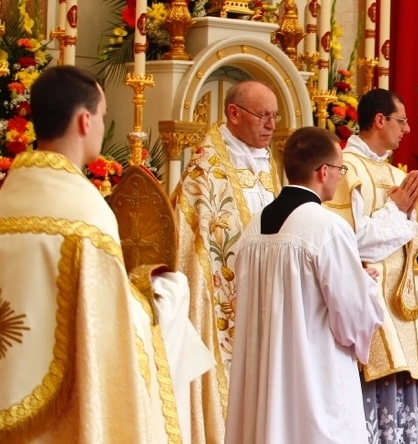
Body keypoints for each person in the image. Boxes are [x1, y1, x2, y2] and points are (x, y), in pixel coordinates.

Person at [0, 65, 178, 442]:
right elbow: (108, 328)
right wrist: (157, 295)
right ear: (84, 121)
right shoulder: (85, 214)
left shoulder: (7, 199)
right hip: (64, 418)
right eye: (102, 116)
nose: (100, 125)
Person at [225, 127, 386, 443]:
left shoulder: (254, 226)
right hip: (313, 384)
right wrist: (365, 286)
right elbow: (353, 320)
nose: (340, 176)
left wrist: (352, 280)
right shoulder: (328, 228)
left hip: (262, 382)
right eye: (340, 169)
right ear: (323, 171)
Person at [173, 79, 282, 442]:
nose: (270, 125)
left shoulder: (272, 167)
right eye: (263, 115)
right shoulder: (204, 173)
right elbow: (192, 250)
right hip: (225, 311)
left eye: (274, 116)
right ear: (233, 113)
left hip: (271, 304)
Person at [321, 88, 418, 442]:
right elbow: (350, 240)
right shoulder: (346, 169)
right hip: (368, 303)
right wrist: (397, 213)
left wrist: (404, 221)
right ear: (379, 120)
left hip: (400, 308)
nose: (408, 129)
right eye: (401, 121)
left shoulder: (396, 175)